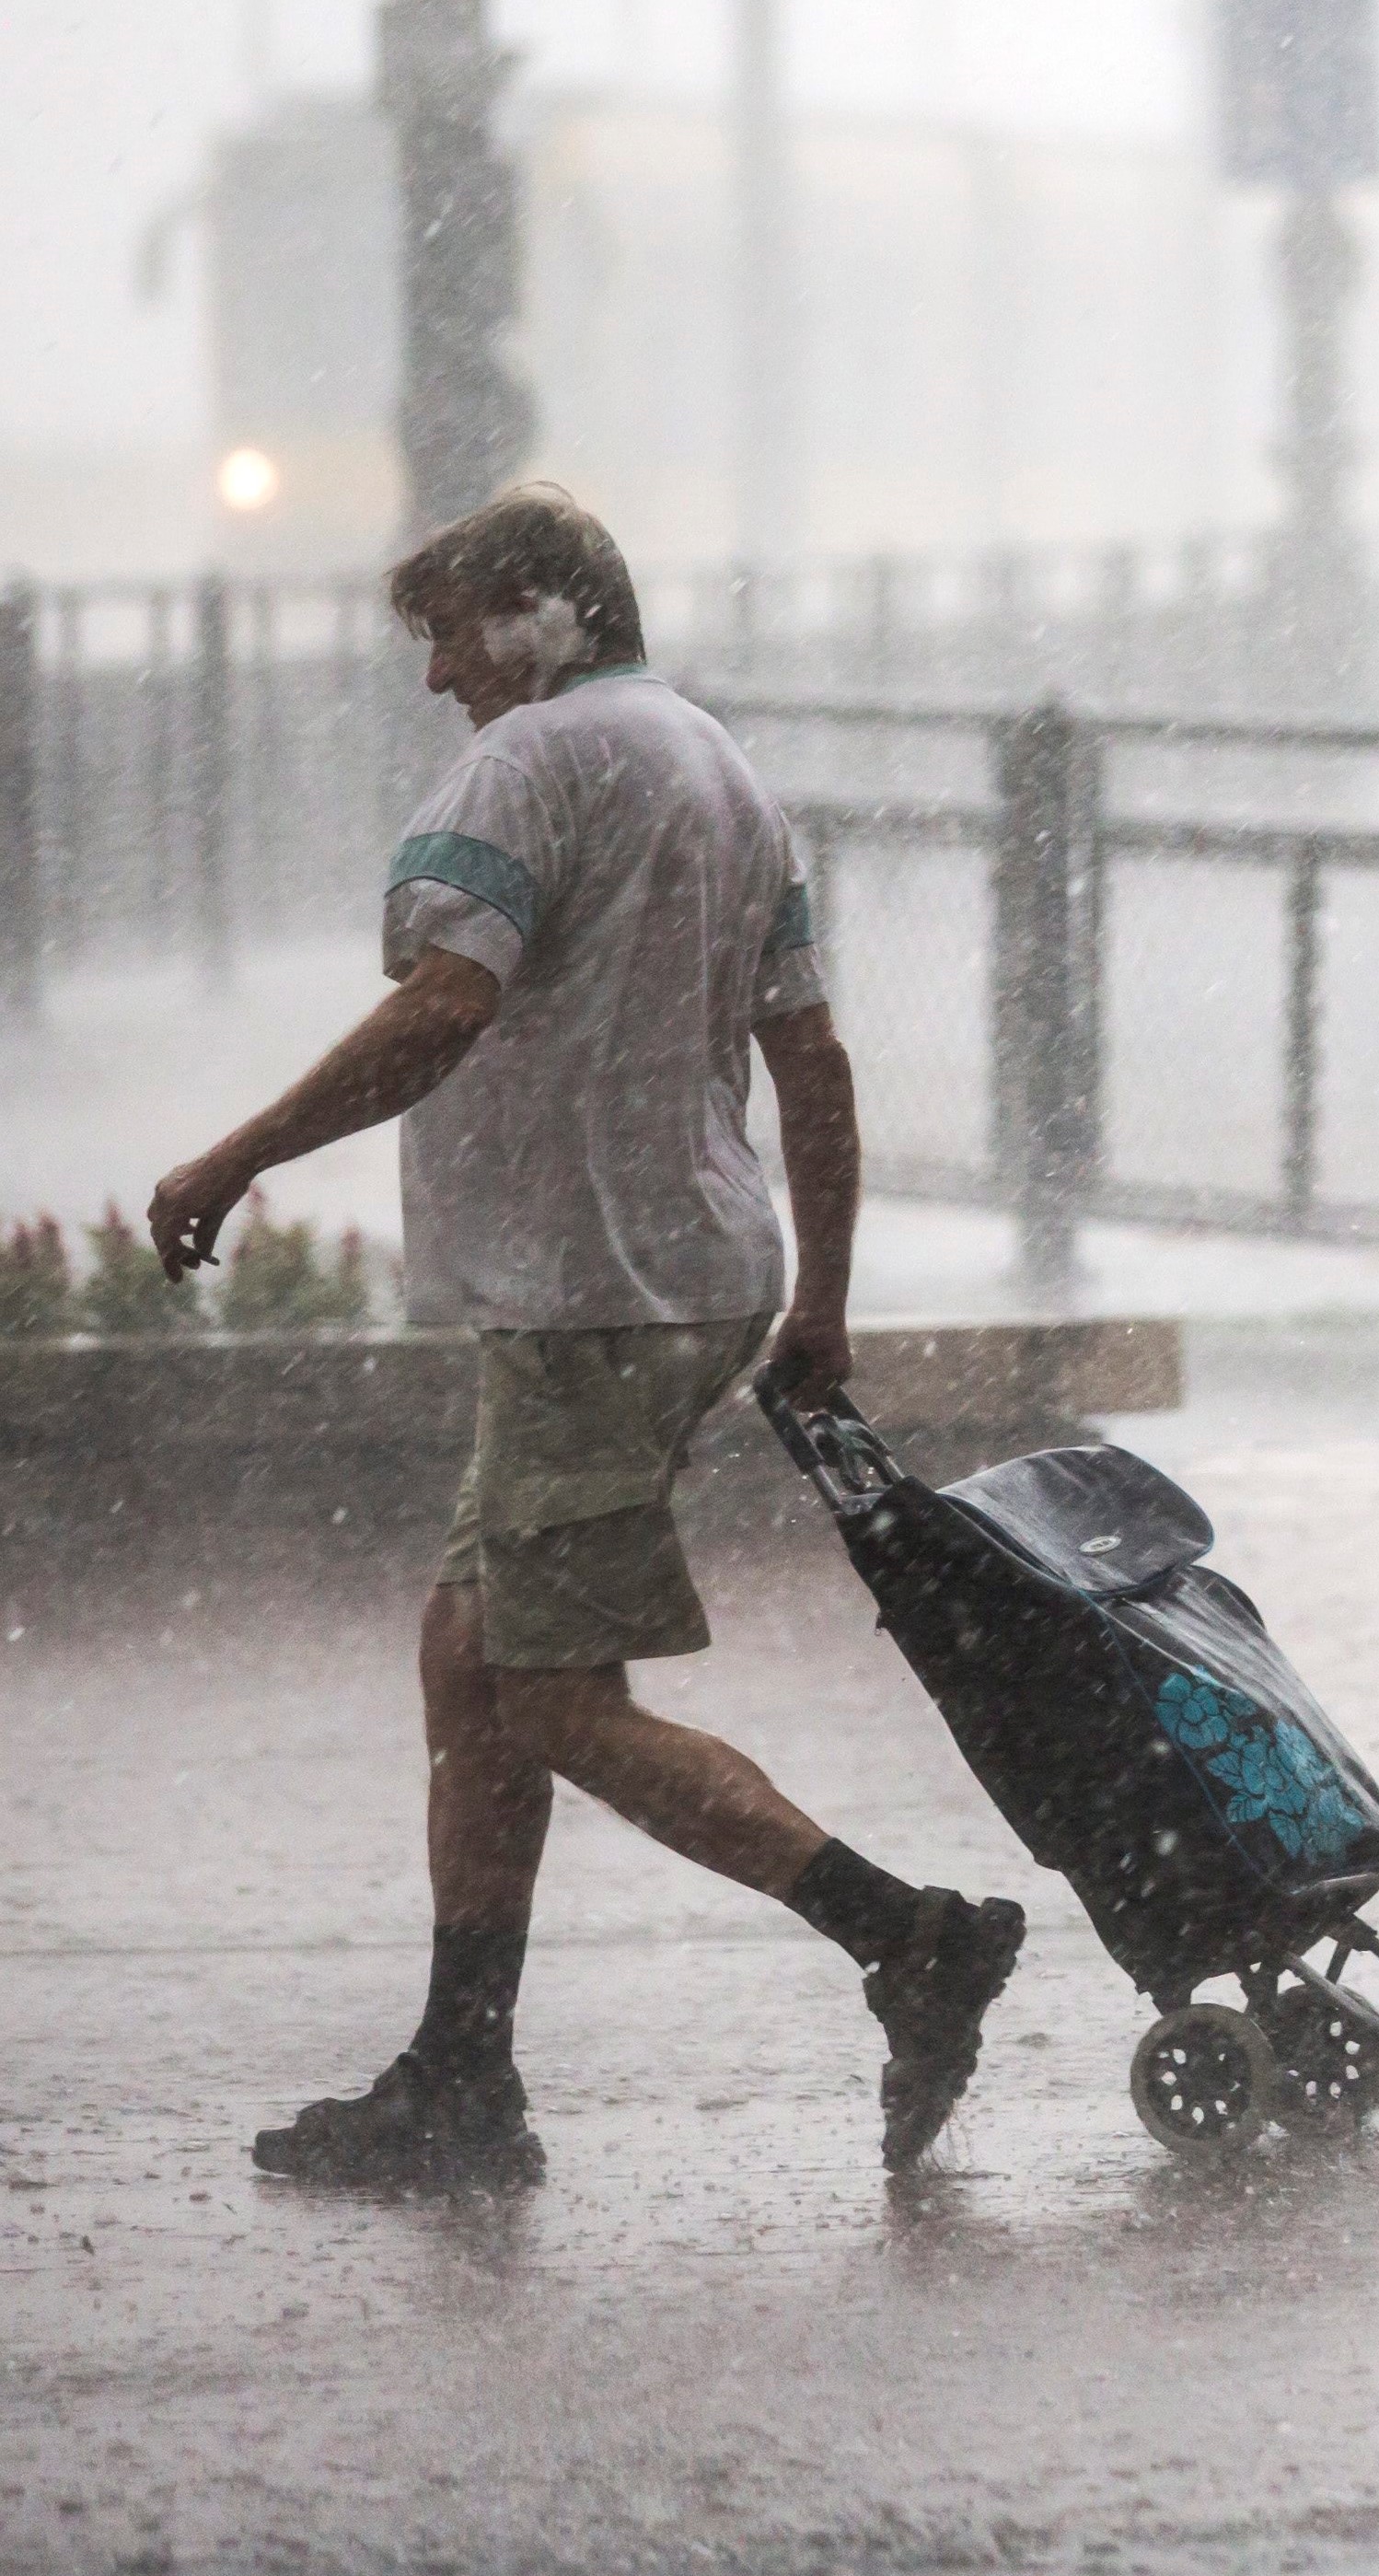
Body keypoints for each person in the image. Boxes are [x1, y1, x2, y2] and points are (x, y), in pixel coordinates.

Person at [148, 485, 1028, 2188]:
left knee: (550, 1692)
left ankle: (902, 1934)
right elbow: (816, 1069)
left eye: (448, 634)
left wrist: (240, 1153)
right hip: (693, 1272)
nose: (435, 680)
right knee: (469, 1659)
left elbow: (444, 1010)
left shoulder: (526, 769)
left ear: (544, 614)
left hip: (587, 1291)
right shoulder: (723, 770)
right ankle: (461, 2072)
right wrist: (823, 1301)